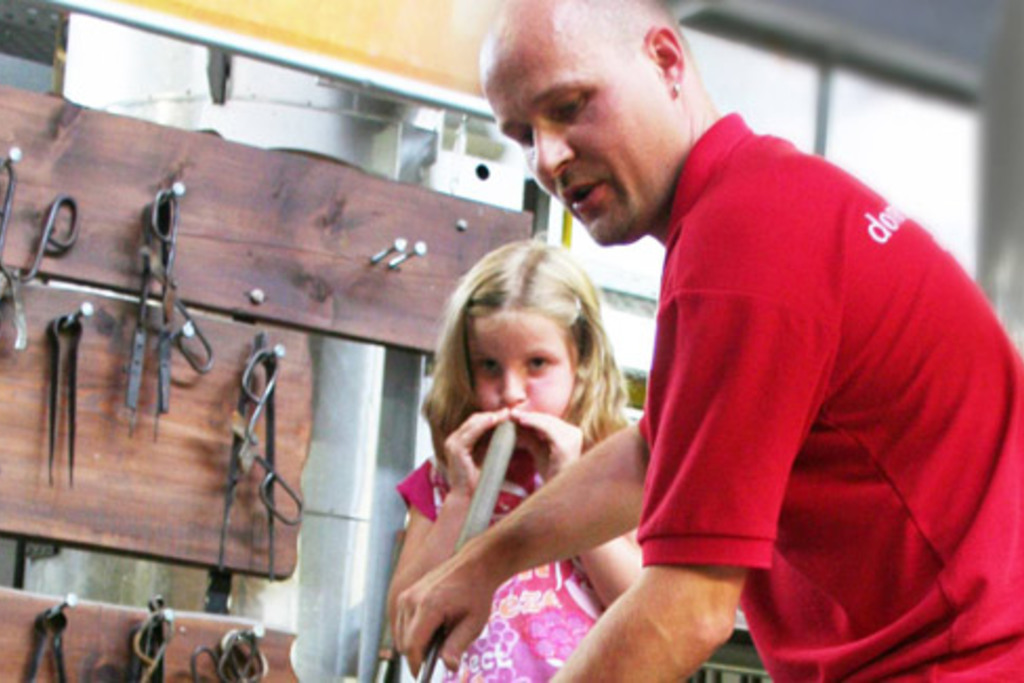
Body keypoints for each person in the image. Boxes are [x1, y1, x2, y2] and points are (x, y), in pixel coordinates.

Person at [393, 0, 1024, 680]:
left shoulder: (741, 243)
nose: (547, 158)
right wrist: (485, 560)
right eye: (522, 134)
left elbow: (688, 608)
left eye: (570, 107)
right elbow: (655, 453)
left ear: (666, 62)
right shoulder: (763, 199)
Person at [386, 240, 641, 681]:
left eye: (537, 364)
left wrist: (571, 488)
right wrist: (462, 498)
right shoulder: (446, 476)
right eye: (489, 366)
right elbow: (403, 621)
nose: (510, 392)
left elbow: (640, 602)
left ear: (581, 362)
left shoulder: (614, 468)